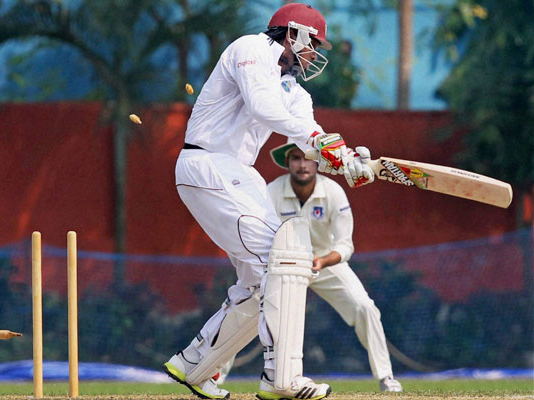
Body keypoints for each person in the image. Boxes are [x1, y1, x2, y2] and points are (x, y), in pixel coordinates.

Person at [162, 3, 375, 400]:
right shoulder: (251, 49)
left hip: (236, 173)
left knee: (262, 280)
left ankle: (195, 365)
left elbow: (306, 138)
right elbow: (264, 108)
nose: (314, 55)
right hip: (207, 163)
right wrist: (323, 142)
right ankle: (282, 378)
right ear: (294, 34)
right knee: (284, 258)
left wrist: (347, 161)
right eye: (314, 45)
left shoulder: (295, 92)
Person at [265, 142, 403, 392]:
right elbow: (261, 235)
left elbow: (345, 245)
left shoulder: (333, 192)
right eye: (296, 158)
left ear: (318, 162)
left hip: (325, 262)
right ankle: (215, 376)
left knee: (365, 308)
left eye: (308, 158)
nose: (303, 165)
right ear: (287, 162)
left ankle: (386, 377)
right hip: (284, 264)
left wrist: (322, 261)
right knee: (247, 306)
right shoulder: (272, 192)